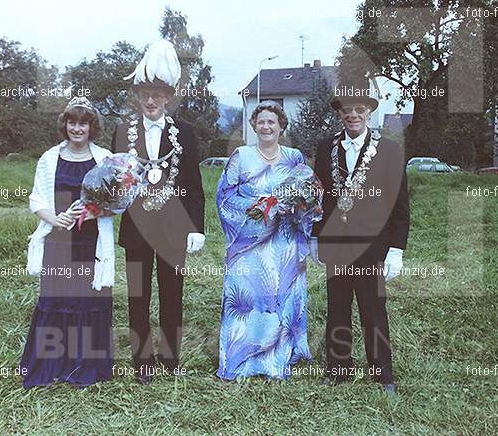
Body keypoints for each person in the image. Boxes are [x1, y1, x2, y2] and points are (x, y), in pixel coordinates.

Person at [112, 39, 205, 384]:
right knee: (138, 296)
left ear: (168, 97)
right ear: (138, 96)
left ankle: (170, 358)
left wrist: (196, 227)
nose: (150, 101)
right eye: (144, 95)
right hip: (136, 228)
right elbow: (115, 181)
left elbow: (194, 185)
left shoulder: (187, 133)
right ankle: (142, 361)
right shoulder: (122, 132)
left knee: (172, 296)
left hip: (173, 228)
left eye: (157, 95)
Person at [311, 75, 409, 393]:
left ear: (369, 112)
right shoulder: (326, 148)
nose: (352, 115)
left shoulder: (389, 151)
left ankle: (383, 374)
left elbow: (399, 203)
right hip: (336, 244)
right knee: (337, 307)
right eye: (346, 110)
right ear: (339, 113)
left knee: (373, 309)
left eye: (359, 109)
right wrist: (315, 235)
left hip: (372, 246)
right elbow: (319, 197)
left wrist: (396, 249)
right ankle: (338, 368)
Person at [216, 101, 323, 380]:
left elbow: (309, 196)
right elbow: (225, 198)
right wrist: (261, 205)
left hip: (285, 243)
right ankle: (243, 360)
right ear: (253, 126)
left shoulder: (294, 157)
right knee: (250, 299)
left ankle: (278, 360)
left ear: (281, 126)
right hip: (250, 243)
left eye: (271, 122)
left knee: (279, 299)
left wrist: (298, 206)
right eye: (261, 122)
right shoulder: (241, 156)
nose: (266, 126)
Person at [21, 96, 115, 388]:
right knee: (57, 299)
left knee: (87, 299)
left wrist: (92, 212)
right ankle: (51, 365)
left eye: (83, 123)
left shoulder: (104, 159)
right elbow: (36, 199)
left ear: (92, 126)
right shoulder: (50, 158)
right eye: (72, 122)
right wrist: (54, 218)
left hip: (91, 241)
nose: (77, 128)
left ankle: (84, 366)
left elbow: (117, 202)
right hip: (59, 241)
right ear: (65, 125)